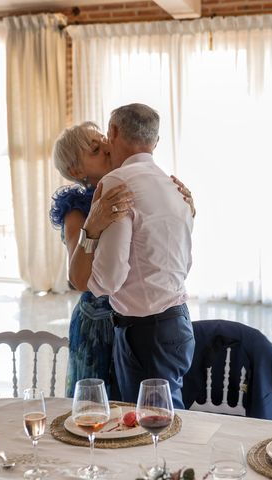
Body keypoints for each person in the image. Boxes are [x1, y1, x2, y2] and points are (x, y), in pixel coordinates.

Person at [51, 121, 194, 399]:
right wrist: (93, 224)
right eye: (95, 149)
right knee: (100, 408)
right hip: (98, 323)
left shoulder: (135, 186)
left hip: (141, 317)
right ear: (76, 170)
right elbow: (76, 277)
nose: (106, 148)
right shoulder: (77, 210)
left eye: (104, 141)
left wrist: (186, 209)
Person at [87, 103, 195, 407]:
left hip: (145, 334)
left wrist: (87, 274)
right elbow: (184, 262)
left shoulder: (117, 183)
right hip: (178, 323)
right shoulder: (175, 188)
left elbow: (109, 278)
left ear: (113, 132)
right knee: (167, 423)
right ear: (155, 142)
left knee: (150, 430)